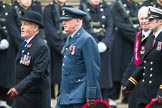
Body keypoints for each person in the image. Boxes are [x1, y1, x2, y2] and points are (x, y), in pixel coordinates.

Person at [55, 7, 102, 108]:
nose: (63, 23)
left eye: (67, 20)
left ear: (77, 21)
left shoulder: (86, 39)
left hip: (80, 94)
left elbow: (92, 70)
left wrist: (91, 95)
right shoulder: (70, 38)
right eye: (63, 20)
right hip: (66, 93)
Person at [7, 10, 51, 108]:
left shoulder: (40, 46)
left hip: (34, 98)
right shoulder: (26, 43)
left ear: (35, 28)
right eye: (22, 24)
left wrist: (18, 88)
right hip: (24, 94)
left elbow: (37, 73)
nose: (22, 27)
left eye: (26, 24)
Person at [122, 6, 162, 107]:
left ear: (160, 21)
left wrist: (161, 92)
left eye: (151, 19)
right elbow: (142, 65)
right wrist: (129, 84)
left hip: (158, 94)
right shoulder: (150, 39)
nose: (148, 21)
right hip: (146, 93)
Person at [79, 0, 114, 106]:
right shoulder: (82, 9)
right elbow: (84, 28)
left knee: (104, 79)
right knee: (93, 79)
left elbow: (110, 26)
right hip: (90, 48)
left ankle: (105, 102)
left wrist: (105, 43)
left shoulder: (105, 8)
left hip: (104, 48)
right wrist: (95, 44)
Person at [110, 0, 141, 104]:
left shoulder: (136, 6)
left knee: (133, 69)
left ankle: (128, 95)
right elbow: (120, 24)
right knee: (118, 71)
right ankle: (112, 98)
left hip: (135, 43)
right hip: (121, 43)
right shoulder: (117, 5)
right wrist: (137, 36)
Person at [43, 0, 68, 101]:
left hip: (68, 47)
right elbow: (50, 31)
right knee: (53, 78)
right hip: (53, 48)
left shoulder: (70, 9)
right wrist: (61, 47)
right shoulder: (48, 9)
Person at [0, 1, 15, 107]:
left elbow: (11, 27)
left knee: (4, 76)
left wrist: (7, 39)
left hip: (5, 48)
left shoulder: (8, 8)